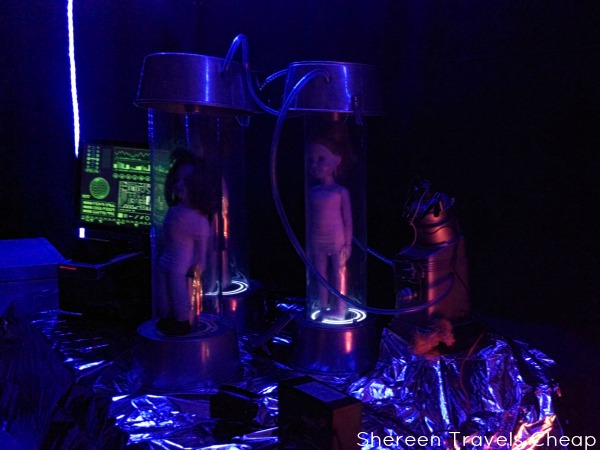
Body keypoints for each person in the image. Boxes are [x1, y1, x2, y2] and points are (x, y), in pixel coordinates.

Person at [155, 149, 218, 335]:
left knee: (177, 288)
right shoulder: (175, 210)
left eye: (187, 181)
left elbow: (202, 245)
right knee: (163, 288)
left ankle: (182, 320)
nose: (179, 185)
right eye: (177, 180)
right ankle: (166, 316)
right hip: (167, 257)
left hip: (180, 261)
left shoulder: (198, 219)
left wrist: (201, 261)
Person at [306, 141, 353, 320]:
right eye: (311, 160)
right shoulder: (313, 191)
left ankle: (340, 308)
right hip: (317, 239)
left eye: (321, 159)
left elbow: (347, 219)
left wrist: (348, 243)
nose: (315, 165)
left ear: (336, 160)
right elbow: (310, 218)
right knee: (321, 274)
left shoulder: (340, 191)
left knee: (339, 272)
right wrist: (308, 242)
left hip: (336, 239)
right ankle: (323, 306)